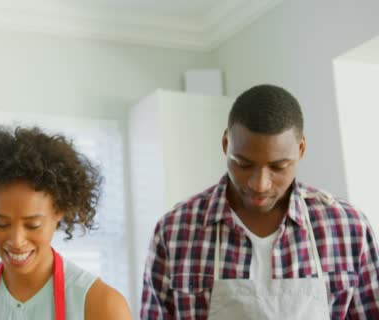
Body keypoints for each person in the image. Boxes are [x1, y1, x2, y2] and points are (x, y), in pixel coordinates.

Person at [140, 84, 379, 319]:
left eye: (278, 167)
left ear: (301, 149)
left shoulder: (348, 227)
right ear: (226, 144)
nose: (260, 184)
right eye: (243, 164)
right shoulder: (174, 231)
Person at [0, 126, 132, 320]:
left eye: (33, 225)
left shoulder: (102, 306)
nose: (16, 241)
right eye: (1, 223)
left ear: (60, 211)